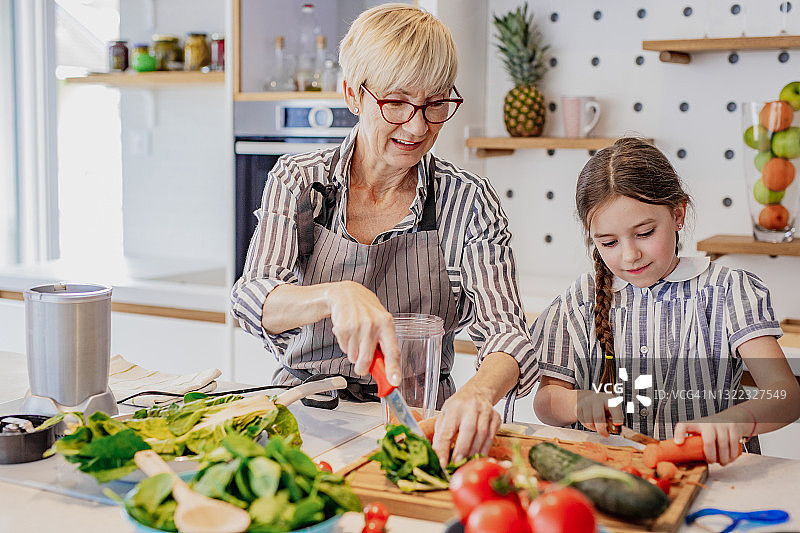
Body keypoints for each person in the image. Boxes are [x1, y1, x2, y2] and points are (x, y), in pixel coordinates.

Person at [231, 4, 538, 465]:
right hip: (301, 424)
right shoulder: (298, 180)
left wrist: (476, 395)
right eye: (396, 102)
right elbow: (252, 297)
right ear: (353, 95)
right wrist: (335, 295)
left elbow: (507, 335)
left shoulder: (468, 200)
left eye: (436, 103)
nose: (417, 126)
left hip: (421, 424)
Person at [531, 137, 800, 465]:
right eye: (609, 242)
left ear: (678, 214)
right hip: (612, 475)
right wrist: (575, 403)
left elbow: (785, 395)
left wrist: (735, 422)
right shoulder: (578, 301)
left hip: (710, 475)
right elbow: (545, 401)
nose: (630, 255)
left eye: (645, 233)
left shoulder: (727, 291)